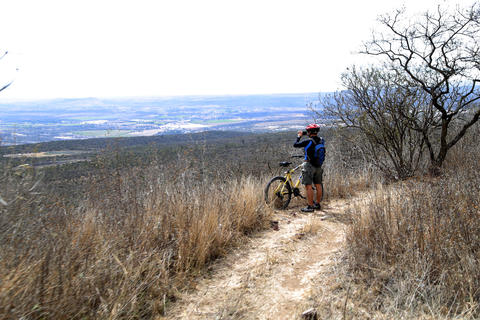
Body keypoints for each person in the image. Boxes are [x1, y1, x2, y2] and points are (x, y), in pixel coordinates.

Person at [293, 123, 324, 212]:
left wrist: (299, 136)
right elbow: (314, 138)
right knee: (318, 185)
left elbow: (295, 144)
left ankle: (310, 206)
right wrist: (309, 133)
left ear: (309, 131)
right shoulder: (321, 140)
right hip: (318, 165)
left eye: (308, 131)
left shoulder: (308, 141)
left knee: (308, 186)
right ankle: (317, 204)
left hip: (309, 165)